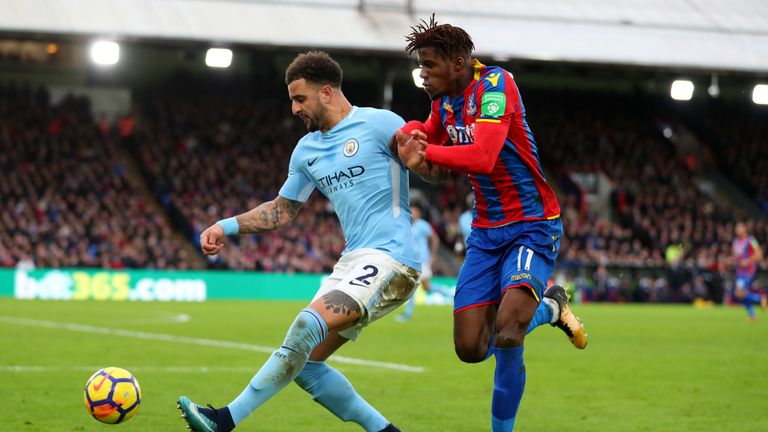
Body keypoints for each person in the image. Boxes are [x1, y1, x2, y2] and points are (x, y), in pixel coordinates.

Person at [177, 51, 422, 432]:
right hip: (353, 262)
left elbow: (430, 166)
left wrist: (428, 157)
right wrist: (225, 226)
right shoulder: (307, 150)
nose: (293, 108)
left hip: (392, 258)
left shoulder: (379, 124)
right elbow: (283, 210)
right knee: (307, 366)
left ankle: (224, 420)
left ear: (326, 92)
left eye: (299, 98)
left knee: (307, 326)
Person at [396, 16, 587, 431]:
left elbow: (482, 156)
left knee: (507, 334)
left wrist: (424, 153)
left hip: (532, 223)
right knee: (470, 347)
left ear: (459, 63)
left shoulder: (496, 85)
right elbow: (427, 131)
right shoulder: (443, 100)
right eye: (421, 66)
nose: (423, 75)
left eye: (430, 66)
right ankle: (552, 307)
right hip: (485, 233)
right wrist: (408, 134)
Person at [396, 203, 440, 321]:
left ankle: (450, 294)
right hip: (413, 260)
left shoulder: (423, 225)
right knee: (415, 286)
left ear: (418, 214)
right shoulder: (409, 226)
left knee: (426, 287)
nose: (412, 214)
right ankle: (407, 314)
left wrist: (433, 255)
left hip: (423, 260)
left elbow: (434, 238)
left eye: (414, 211)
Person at [731, 221, 766, 320]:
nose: (737, 229)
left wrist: (748, 261)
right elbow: (736, 257)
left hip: (748, 270)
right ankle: (753, 315)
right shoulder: (735, 242)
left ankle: (759, 299)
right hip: (740, 271)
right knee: (740, 294)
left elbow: (759, 254)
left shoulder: (751, 240)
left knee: (739, 293)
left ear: (745, 229)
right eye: (736, 228)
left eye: (739, 227)